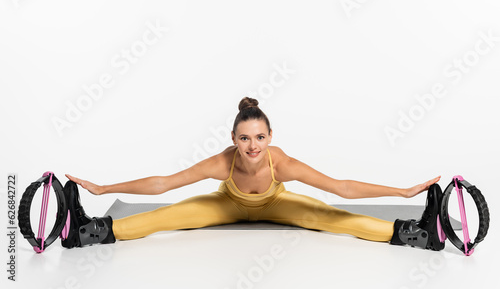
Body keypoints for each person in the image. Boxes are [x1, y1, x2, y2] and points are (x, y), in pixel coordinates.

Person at [62, 97, 445, 251]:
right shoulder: (221, 162)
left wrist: (404, 191)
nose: (253, 147)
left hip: (277, 204)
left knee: (334, 219)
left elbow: (340, 188)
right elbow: (166, 183)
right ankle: (91, 232)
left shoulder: (283, 163)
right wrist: (102, 187)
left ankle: (413, 235)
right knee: (166, 216)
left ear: (270, 137)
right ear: (233, 138)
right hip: (225, 205)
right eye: (245, 138)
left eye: (260, 137)